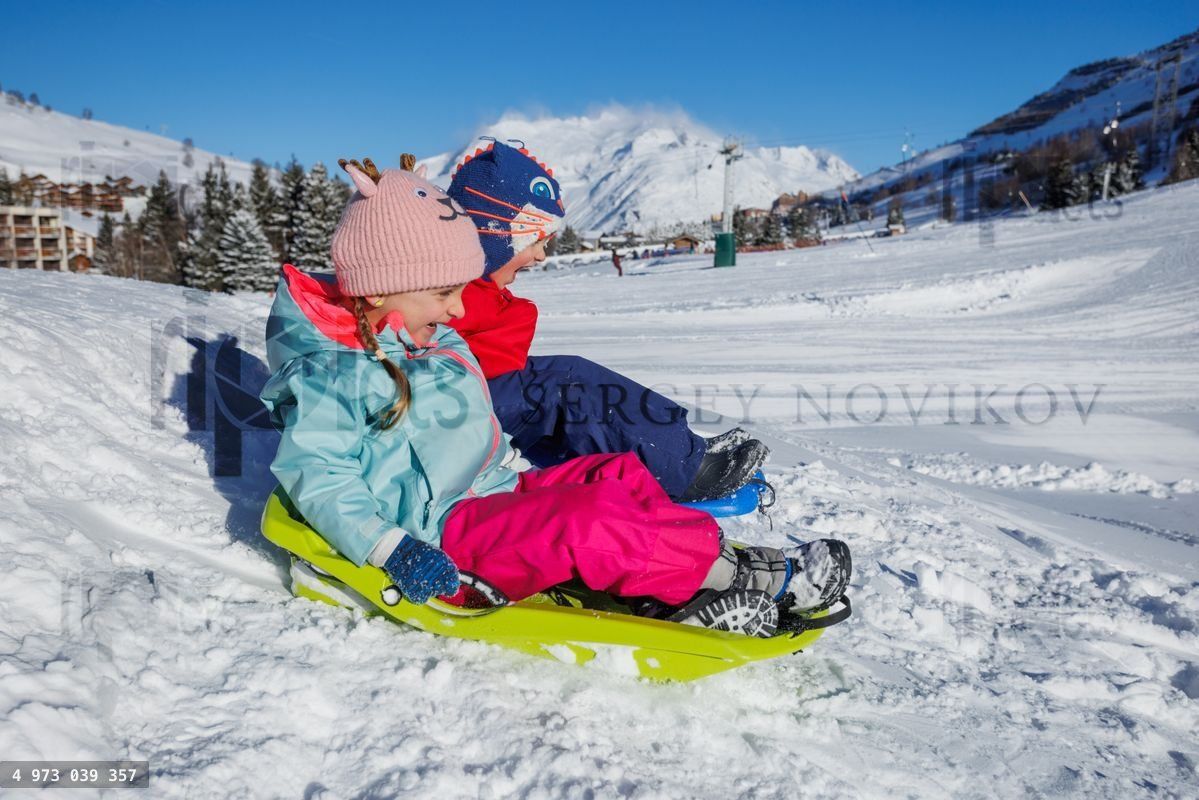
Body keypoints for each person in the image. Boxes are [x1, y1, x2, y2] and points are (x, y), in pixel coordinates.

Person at [259, 156, 851, 638]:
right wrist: (391, 549)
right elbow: (317, 472)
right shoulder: (334, 374)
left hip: (491, 492)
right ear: (381, 287)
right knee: (589, 522)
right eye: (445, 292)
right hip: (446, 535)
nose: (460, 310)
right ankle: (742, 583)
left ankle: (694, 565)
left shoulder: (427, 336)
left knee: (613, 476)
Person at [445, 141, 768, 502]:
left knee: (560, 389)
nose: (539, 256)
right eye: (534, 241)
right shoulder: (452, 290)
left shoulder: (471, 290)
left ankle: (667, 454)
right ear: (496, 237)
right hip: (454, 408)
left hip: (466, 399)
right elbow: (489, 362)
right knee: (564, 383)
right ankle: (684, 469)